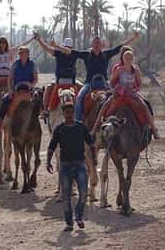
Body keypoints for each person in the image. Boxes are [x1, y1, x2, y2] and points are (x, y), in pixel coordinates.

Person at [46, 97, 97, 232]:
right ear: (64, 114)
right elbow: (51, 146)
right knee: (66, 196)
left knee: (83, 193)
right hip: (65, 166)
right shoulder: (59, 129)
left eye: (71, 112)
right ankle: (69, 223)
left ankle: (79, 216)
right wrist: (48, 161)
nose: (69, 114)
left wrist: (95, 158)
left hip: (80, 164)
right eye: (67, 112)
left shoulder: (81, 127)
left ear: (74, 112)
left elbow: (91, 143)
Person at [68, 32, 140, 122]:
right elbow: (71, 52)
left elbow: (120, 46)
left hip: (104, 83)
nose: (97, 45)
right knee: (79, 97)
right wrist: (57, 47)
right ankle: (78, 121)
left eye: (98, 43)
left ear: (101, 44)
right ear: (92, 44)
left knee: (115, 97)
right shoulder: (86, 54)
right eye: (95, 43)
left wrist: (133, 37)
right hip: (89, 83)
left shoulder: (106, 54)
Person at [91, 47, 160, 139]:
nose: (128, 60)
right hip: (119, 93)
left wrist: (135, 90)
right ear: (122, 59)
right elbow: (111, 82)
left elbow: (139, 83)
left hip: (131, 93)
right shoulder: (119, 69)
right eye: (126, 58)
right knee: (105, 104)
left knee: (144, 105)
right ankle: (95, 129)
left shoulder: (136, 70)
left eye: (130, 58)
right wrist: (115, 90)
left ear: (133, 59)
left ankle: (154, 130)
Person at [0, 46, 38, 128]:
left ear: (28, 54)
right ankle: (0, 120)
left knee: (38, 98)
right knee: (5, 99)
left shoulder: (33, 64)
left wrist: (31, 84)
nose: (21, 55)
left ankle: (43, 114)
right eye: (20, 54)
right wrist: (10, 90)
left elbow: (35, 79)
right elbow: (10, 79)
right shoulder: (15, 64)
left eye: (23, 53)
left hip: (29, 89)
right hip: (17, 89)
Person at [35, 35, 77, 117]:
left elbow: (49, 48)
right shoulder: (58, 53)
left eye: (68, 47)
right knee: (48, 88)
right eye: (66, 47)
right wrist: (39, 40)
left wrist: (55, 46)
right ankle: (45, 110)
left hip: (72, 82)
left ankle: (82, 113)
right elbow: (47, 48)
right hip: (60, 82)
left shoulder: (73, 54)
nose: (67, 48)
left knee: (81, 90)